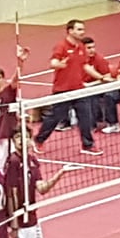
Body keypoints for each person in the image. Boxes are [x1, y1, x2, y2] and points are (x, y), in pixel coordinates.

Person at [32, 19, 99, 156]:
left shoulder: (81, 47)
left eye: (83, 29)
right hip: (62, 90)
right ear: (70, 31)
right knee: (55, 117)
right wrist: (59, 64)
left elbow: (85, 66)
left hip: (79, 90)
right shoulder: (61, 46)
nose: (82, 32)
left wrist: (102, 77)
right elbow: (53, 63)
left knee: (86, 117)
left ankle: (88, 145)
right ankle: (39, 139)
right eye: (79, 29)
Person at [0, 47, 28, 169]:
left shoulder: (8, 92)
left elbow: (16, 78)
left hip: (11, 138)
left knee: (15, 167)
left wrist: (21, 62)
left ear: (3, 79)